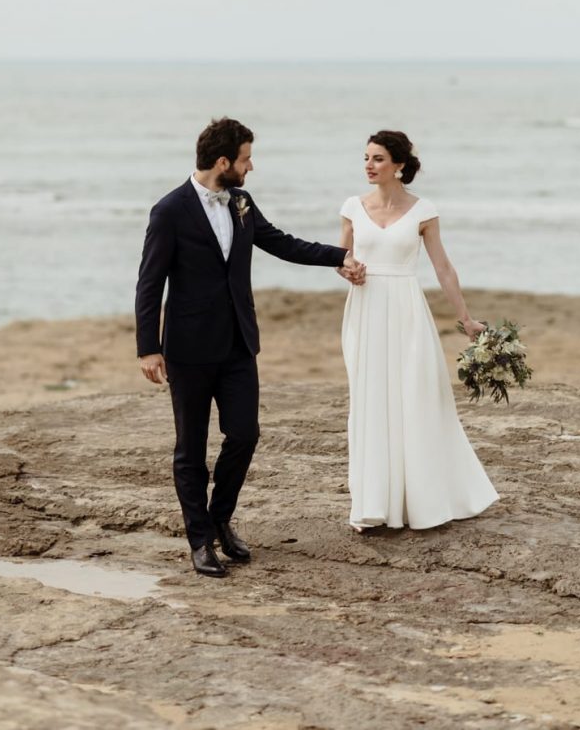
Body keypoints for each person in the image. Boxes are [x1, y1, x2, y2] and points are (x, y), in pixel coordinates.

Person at [136, 116, 365, 578]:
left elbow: (280, 242)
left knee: (245, 434)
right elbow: (149, 282)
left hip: (239, 343)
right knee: (191, 449)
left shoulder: (241, 201)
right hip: (189, 349)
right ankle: (200, 541)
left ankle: (221, 517)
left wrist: (337, 256)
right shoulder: (169, 211)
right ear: (223, 162)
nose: (251, 166)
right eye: (245, 159)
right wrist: (148, 347)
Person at [339, 129, 499, 532]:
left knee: (416, 397)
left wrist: (466, 320)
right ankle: (374, 504)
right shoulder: (352, 207)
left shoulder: (423, 211)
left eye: (377, 159)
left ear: (399, 165)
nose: (369, 166)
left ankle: (424, 501)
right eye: (366, 158)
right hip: (366, 309)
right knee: (371, 400)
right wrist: (349, 271)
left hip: (408, 310)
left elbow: (442, 267)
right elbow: (341, 259)